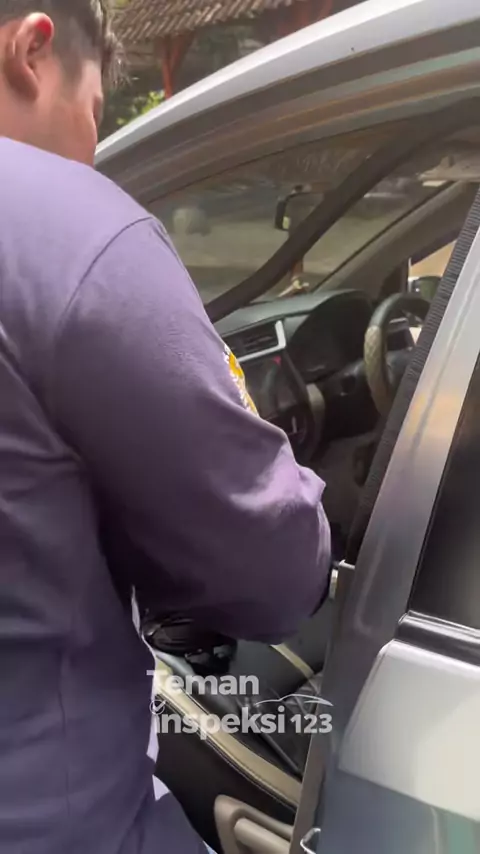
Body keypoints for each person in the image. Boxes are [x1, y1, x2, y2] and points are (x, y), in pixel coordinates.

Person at [0, 3, 331, 853]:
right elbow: (269, 571)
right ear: (32, 49)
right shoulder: (72, 229)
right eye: (94, 111)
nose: (90, 149)